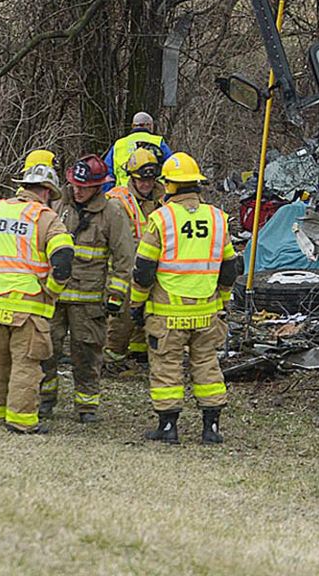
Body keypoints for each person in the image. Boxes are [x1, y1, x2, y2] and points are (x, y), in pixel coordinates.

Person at [130, 152, 240, 444]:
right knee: (207, 365)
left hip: (168, 314)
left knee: (166, 367)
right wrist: (223, 301)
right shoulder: (218, 218)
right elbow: (230, 268)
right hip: (207, 312)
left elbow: (143, 270)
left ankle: (168, 428)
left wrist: (136, 304)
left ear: (169, 186)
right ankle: (211, 428)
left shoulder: (161, 219)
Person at [0, 157, 74, 433]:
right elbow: (64, 259)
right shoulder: (45, 218)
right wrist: (52, 292)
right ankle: (21, 421)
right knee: (26, 366)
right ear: (46, 191)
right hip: (28, 306)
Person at [40, 156, 134, 422]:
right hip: (53, 293)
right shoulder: (58, 204)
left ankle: (86, 406)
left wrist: (115, 295)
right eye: (74, 184)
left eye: (84, 186)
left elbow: (124, 257)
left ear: (98, 187)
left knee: (87, 352)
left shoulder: (112, 212)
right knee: (45, 347)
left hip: (89, 299)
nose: (77, 190)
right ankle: (45, 399)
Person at [105, 146, 165, 371]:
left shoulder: (164, 195)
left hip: (156, 263)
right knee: (126, 312)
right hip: (127, 264)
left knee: (151, 308)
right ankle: (114, 355)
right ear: (132, 177)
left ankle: (140, 351)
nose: (147, 184)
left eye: (150, 179)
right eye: (141, 180)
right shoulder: (117, 201)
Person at [104, 111, 172, 189]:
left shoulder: (119, 144)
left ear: (133, 126)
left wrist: (109, 193)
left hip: (124, 194)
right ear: (149, 125)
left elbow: (107, 173)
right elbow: (171, 167)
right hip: (152, 191)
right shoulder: (158, 142)